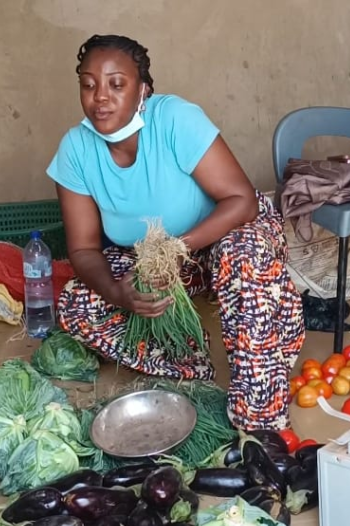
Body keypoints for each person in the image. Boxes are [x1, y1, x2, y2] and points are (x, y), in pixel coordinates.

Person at [45, 34, 305, 431]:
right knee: (78, 304)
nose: (101, 97)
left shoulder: (174, 119)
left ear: (142, 90)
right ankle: (188, 363)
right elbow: (82, 250)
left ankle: (259, 417)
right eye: (89, 84)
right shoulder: (76, 150)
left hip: (226, 232)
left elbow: (241, 201)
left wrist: (174, 249)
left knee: (245, 260)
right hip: (158, 260)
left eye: (117, 84)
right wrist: (118, 292)